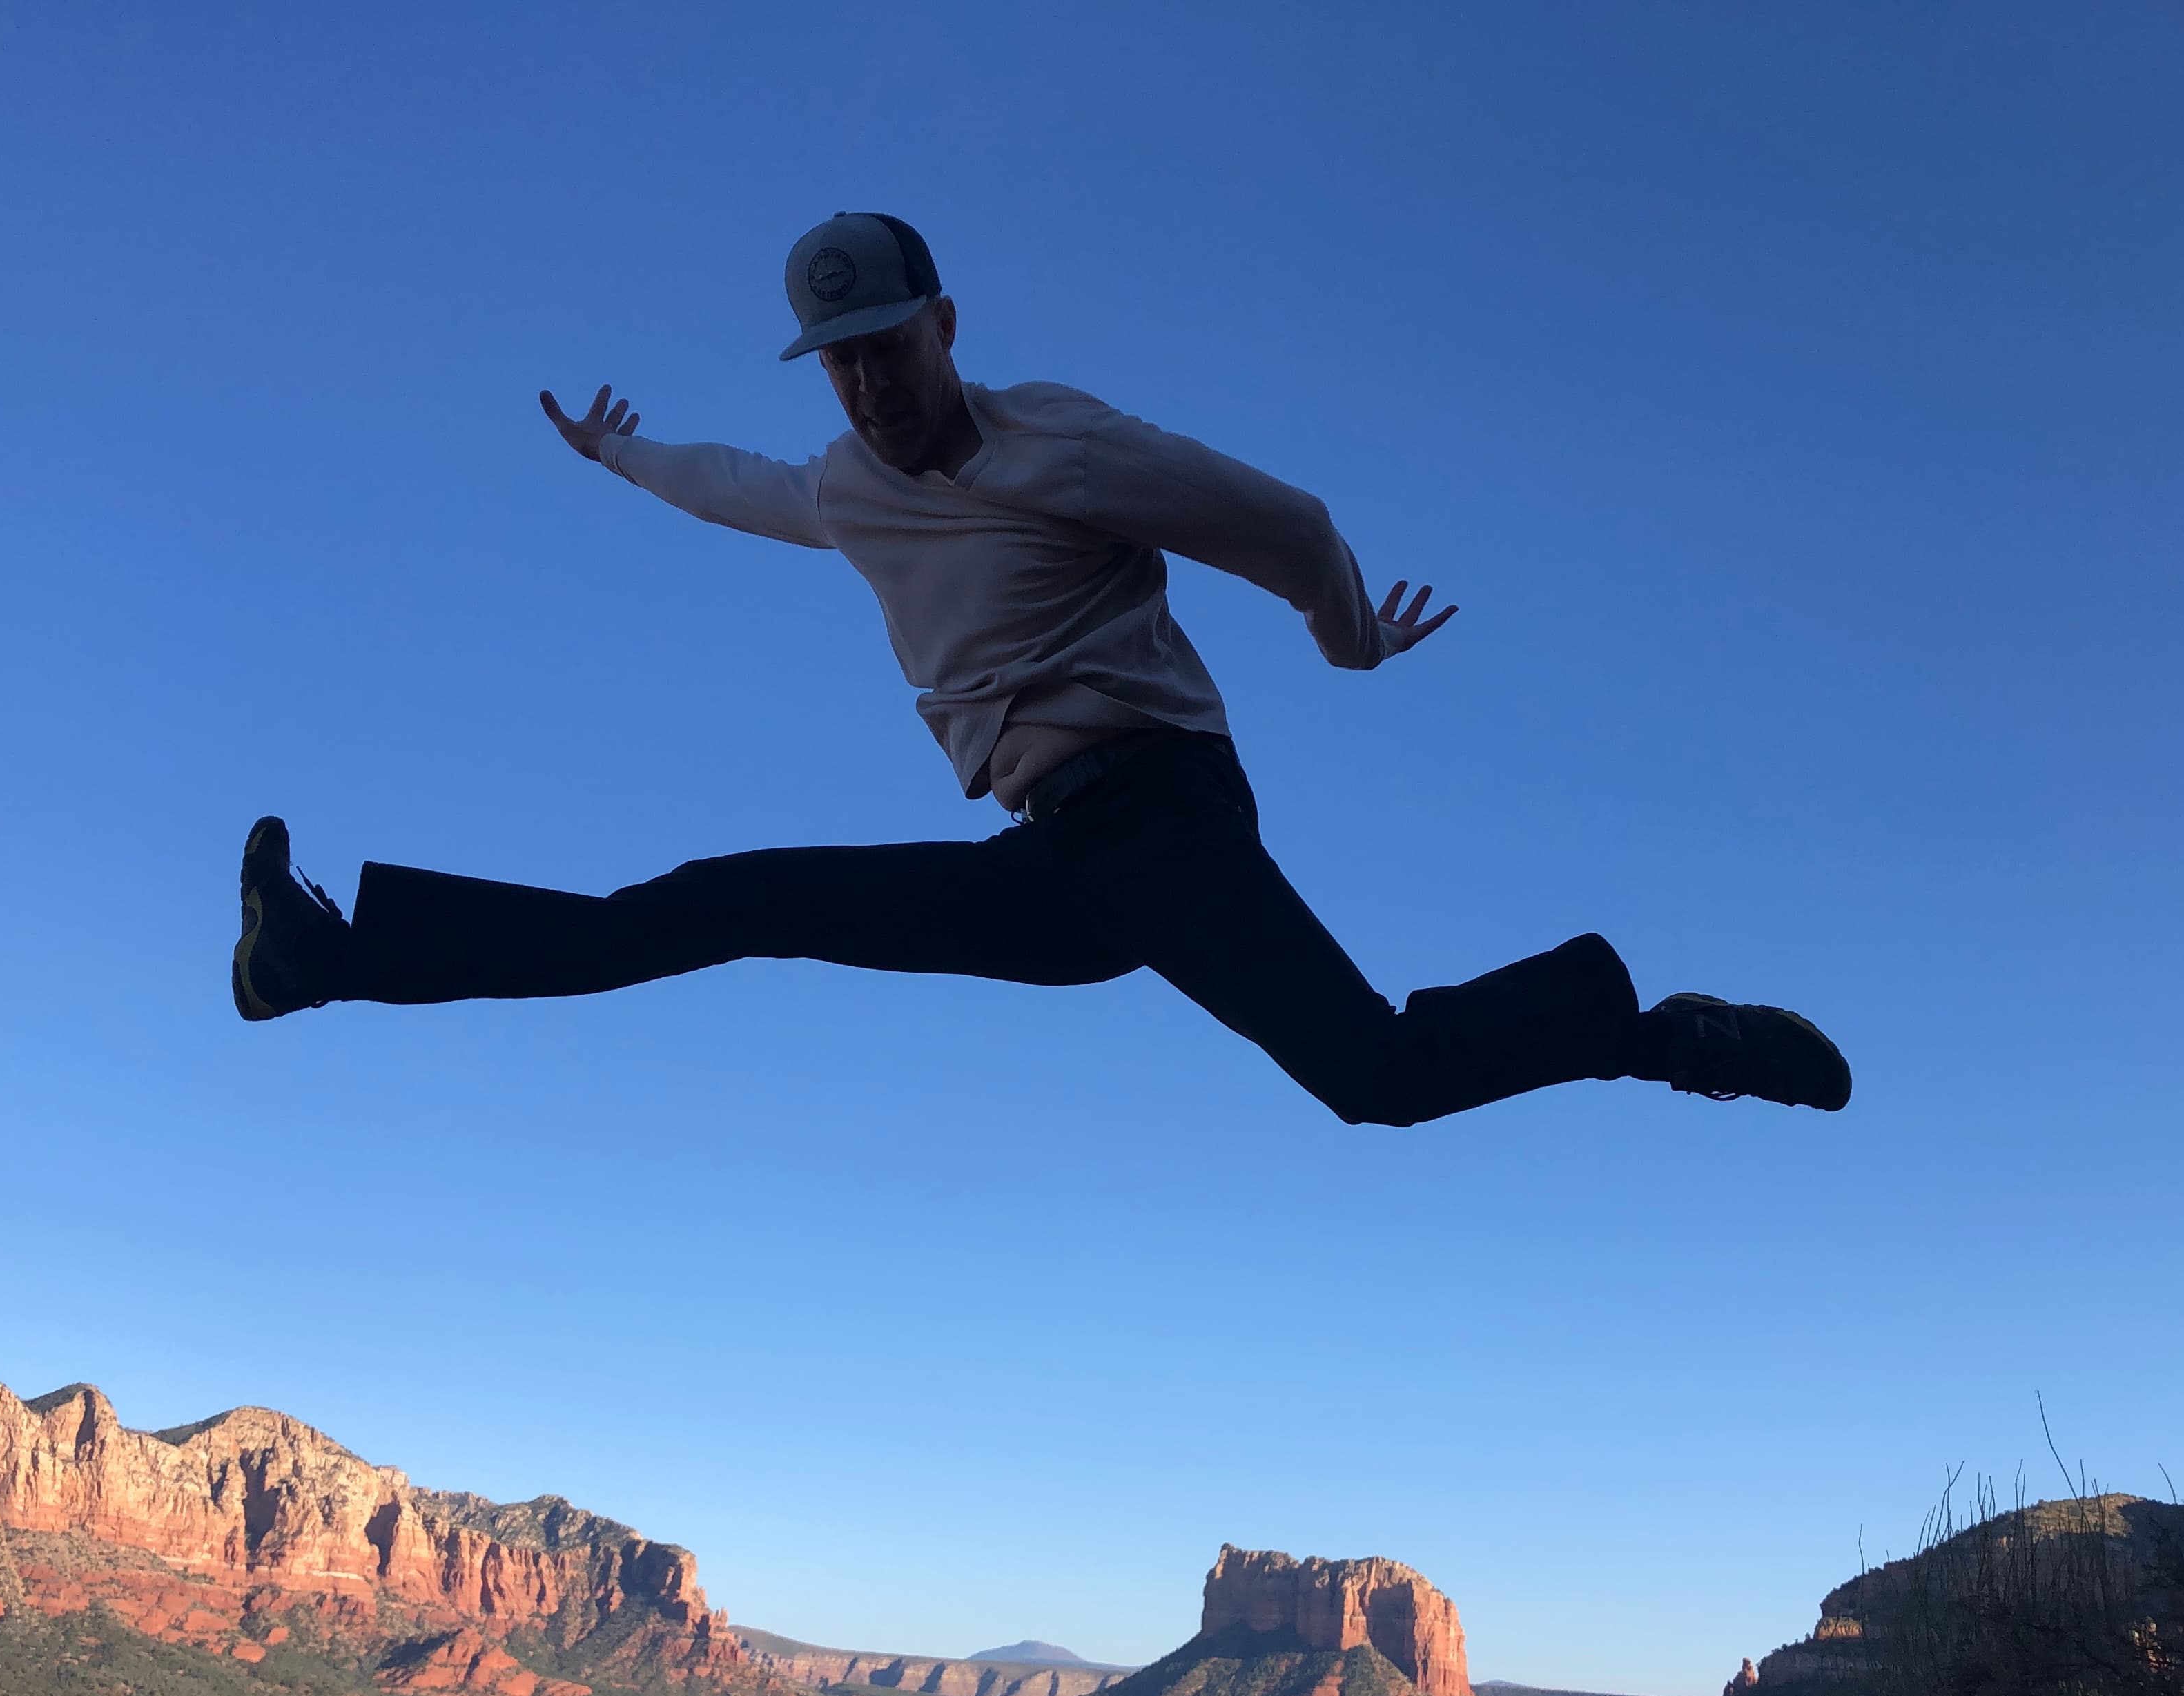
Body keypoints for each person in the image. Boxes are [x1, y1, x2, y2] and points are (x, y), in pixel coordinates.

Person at [232, 211, 1849, 1126]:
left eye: (886, 345)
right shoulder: (851, 482)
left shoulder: (1062, 448)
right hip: (1053, 866)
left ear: (946, 323)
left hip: (1165, 820)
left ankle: (1667, 1035)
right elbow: (746, 488)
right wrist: (620, 456)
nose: (864, 385)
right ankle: (329, 955)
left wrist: (1349, 642)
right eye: (837, 358)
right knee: (717, 902)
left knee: (1375, 1076)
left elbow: (1281, 521)